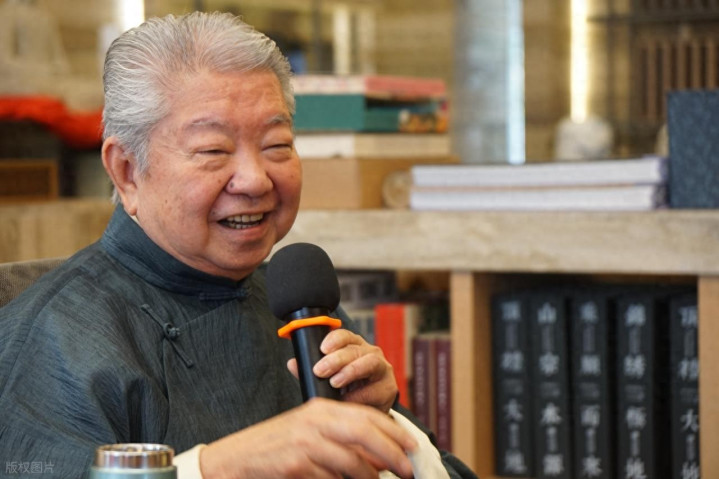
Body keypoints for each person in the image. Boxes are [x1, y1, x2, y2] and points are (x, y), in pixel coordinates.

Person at [0, 12, 477, 479]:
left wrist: (387, 426)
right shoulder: (54, 337)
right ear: (126, 171)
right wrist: (217, 468)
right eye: (213, 150)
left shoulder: (298, 306)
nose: (255, 180)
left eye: (277, 145)